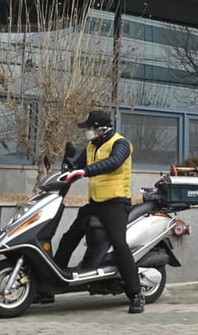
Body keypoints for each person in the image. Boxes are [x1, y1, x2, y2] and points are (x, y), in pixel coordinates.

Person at [53, 110, 145, 314]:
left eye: (90, 128)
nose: (88, 131)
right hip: (95, 203)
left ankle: (136, 294)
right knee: (69, 237)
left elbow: (113, 163)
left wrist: (85, 171)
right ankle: (52, 284)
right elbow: (77, 166)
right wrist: (68, 170)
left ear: (101, 128)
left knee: (120, 244)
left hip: (116, 204)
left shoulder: (121, 144)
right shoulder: (91, 146)